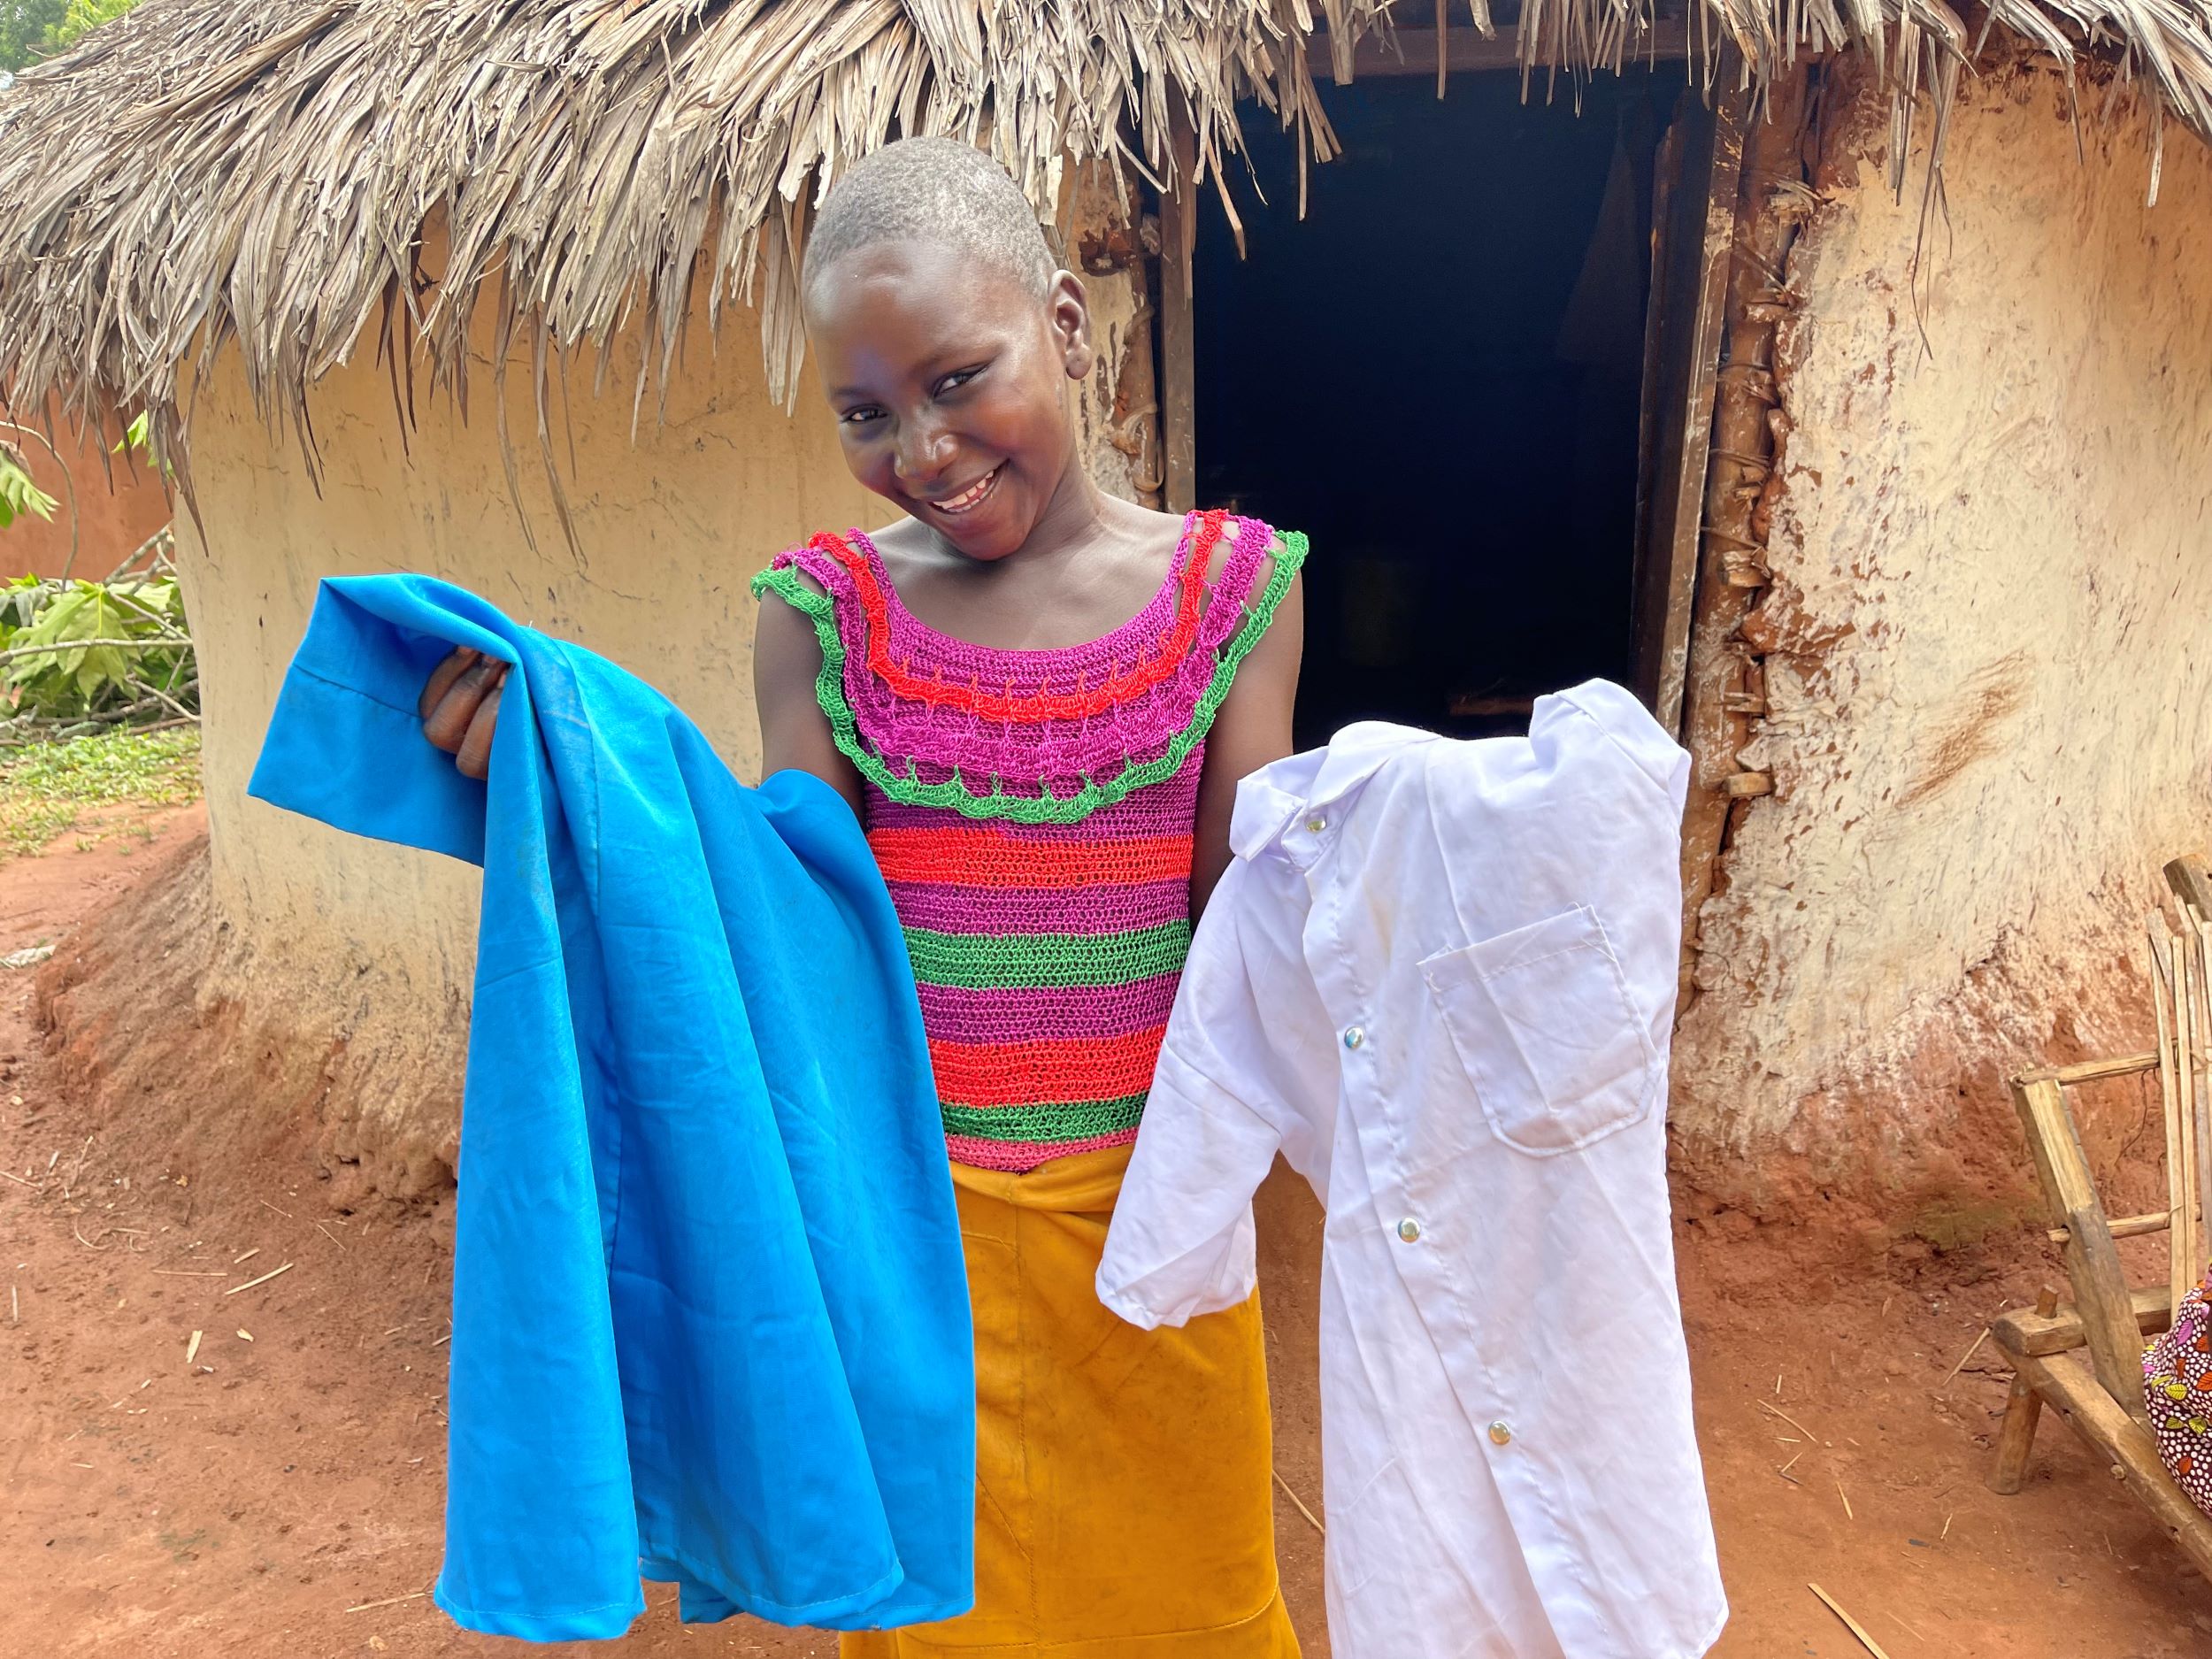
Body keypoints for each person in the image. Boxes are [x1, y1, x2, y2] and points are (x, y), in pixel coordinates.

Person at [418, 136, 1307, 1656]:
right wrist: (568, 769)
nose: (928, 448)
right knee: (934, 1619)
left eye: (961, 377)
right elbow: (786, 919)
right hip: (909, 1236)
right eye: (867, 413)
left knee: (1190, 1603)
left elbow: (1249, 933)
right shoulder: (822, 617)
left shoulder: (1233, 592)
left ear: (1070, 327)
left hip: (1154, 1233)